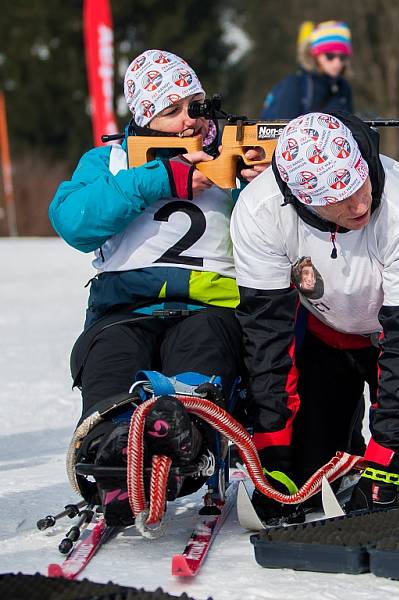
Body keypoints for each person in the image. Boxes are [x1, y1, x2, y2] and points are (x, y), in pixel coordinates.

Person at [230, 111, 399, 522]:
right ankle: (344, 428)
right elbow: (266, 337)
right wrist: (271, 450)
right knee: (307, 474)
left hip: (394, 333)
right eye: (340, 201)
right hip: (325, 331)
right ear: (302, 199)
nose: (360, 204)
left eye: (361, 184)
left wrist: (386, 456)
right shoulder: (259, 210)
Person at [49, 49, 267, 526]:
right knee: (109, 362)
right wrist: (159, 178)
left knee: (204, 351)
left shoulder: (235, 152)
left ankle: (183, 438)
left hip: (210, 307)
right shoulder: (111, 159)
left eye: (196, 105)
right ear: (144, 118)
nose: (190, 120)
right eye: (172, 112)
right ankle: (114, 456)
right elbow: (72, 221)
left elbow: (276, 238)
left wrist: (258, 186)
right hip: (123, 310)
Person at [259, 20, 354, 119]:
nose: (337, 62)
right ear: (315, 55)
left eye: (342, 57)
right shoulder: (295, 84)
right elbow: (282, 128)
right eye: (330, 56)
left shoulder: (344, 88)